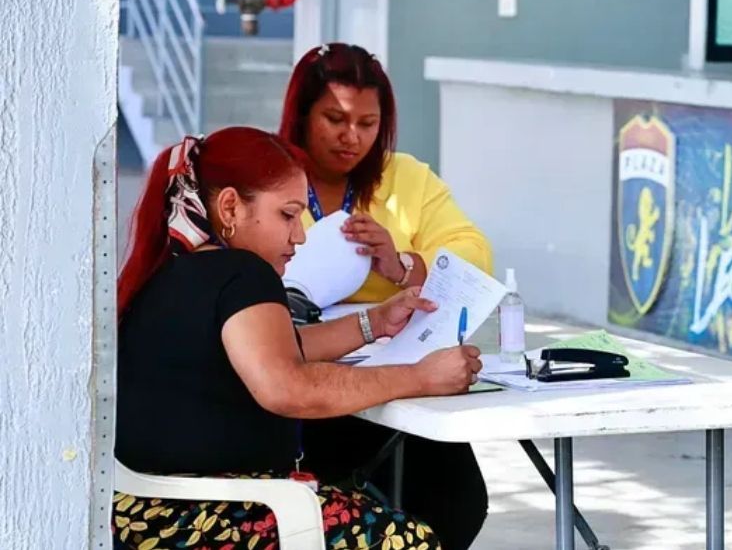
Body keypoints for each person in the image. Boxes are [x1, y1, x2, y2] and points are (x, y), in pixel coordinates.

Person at [114, 127, 484, 550]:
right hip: (210, 517)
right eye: (287, 215)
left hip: (146, 514)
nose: (300, 236)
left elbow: (277, 350)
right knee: (411, 540)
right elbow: (288, 387)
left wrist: (374, 322)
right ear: (231, 206)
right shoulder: (242, 272)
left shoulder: (175, 271)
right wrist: (420, 377)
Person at [277, 43, 492, 550]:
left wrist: (403, 266)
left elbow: (474, 253)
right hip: (302, 378)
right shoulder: (268, 174)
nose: (352, 138)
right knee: (332, 503)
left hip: (398, 373)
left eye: (368, 124)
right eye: (335, 118)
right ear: (301, 115)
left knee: (456, 502)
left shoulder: (406, 177)